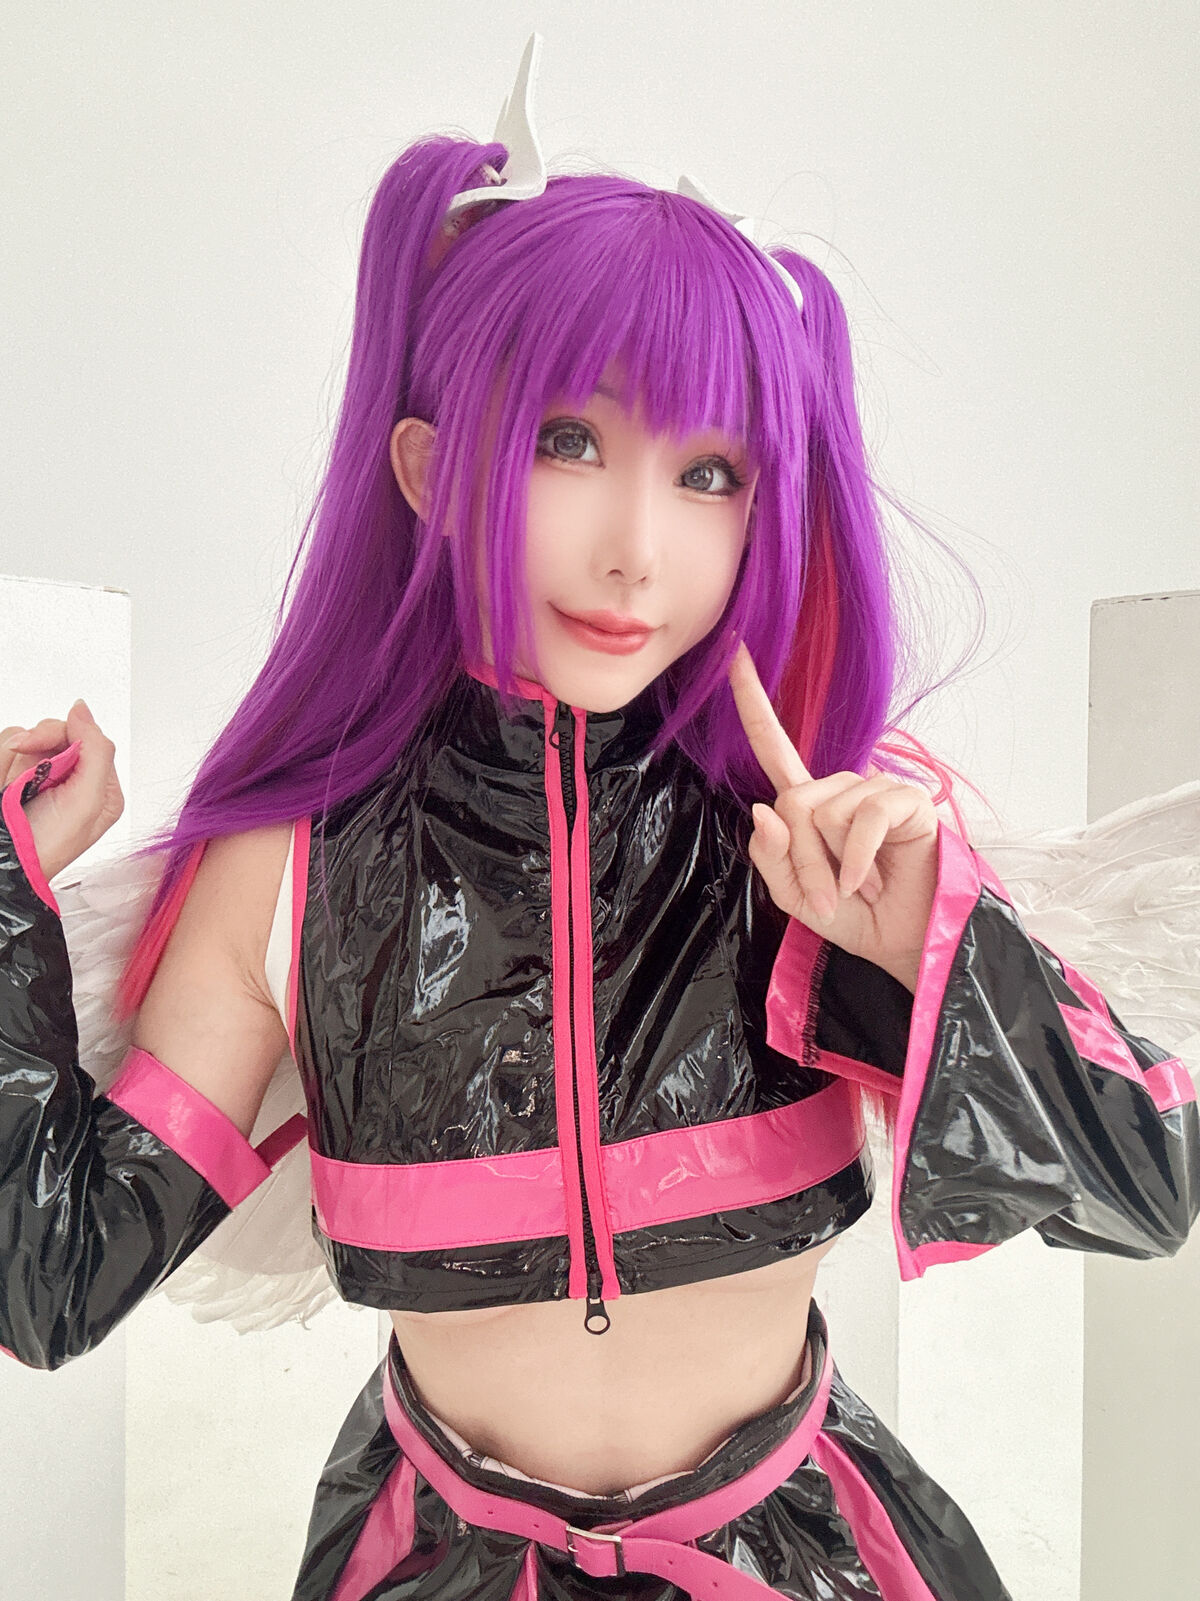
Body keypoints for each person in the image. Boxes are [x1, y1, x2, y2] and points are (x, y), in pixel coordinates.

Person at [3, 36, 1198, 1601]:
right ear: (429, 468)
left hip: (805, 1560)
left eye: (709, 472)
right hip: (439, 1564)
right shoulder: (293, 868)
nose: (638, 546)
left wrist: (932, 942)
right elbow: (54, 1274)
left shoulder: (816, 837)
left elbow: (1148, 1184)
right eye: (571, 442)